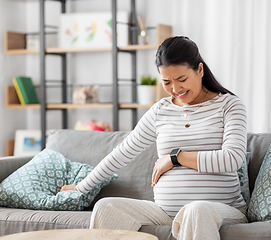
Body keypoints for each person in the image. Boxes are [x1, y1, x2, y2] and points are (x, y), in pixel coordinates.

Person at [61, 36, 248, 240]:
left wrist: (174, 158)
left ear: (200, 70)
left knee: (196, 210)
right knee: (107, 206)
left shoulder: (229, 105)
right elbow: (122, 152)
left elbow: (232, 158)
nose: (176, 89)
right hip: (165, 213)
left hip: (220, 210)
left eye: (182, 79)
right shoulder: (160, 110)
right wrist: (81, 187)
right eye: (167, 82)